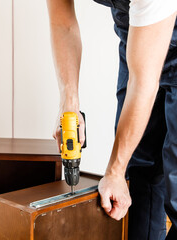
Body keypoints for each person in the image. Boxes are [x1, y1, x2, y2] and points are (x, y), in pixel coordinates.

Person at [47, 0, 177, 239]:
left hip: (161, 30)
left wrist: (115, 172)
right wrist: (69, 103)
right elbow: (62, 24)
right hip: (137, 37)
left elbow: (143, 85)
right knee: (139, 169)